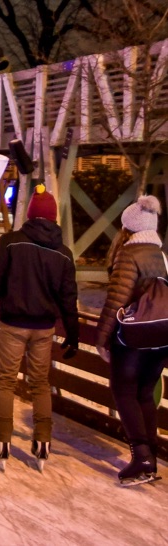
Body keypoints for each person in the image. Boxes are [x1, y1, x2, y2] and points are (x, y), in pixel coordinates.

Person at [0, 185, 79, 471]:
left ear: (30, 214)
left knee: (6, 381)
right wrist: (73, 336)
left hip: (12, 324)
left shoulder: (10, 242)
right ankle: (43, 441)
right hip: (44, 329)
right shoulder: (64, 254)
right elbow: (68, 300)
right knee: (40, 384)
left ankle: (2, 440)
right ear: (53, 217)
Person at [95, 195, 167, 486]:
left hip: (134, 336)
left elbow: (116, 301)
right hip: (162, 335)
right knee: (144, 391)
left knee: (124, 391)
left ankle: (142, 458)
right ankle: (151, 449)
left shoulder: (128, 253)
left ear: (128, 228)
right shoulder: (161, 255)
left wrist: (101, 338)